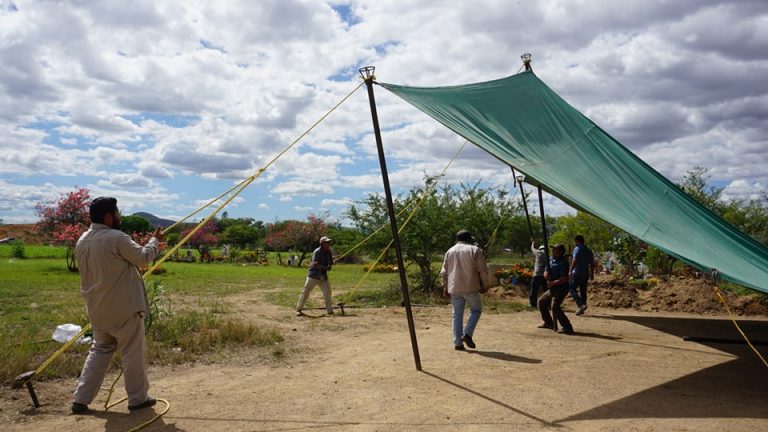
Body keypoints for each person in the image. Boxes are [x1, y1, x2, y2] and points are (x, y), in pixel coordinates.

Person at [71, 197, 162, 414]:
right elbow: (143, 258)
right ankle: (138, 399)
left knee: (99, 351)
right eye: (118, 212)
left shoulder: (82, 240)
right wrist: (155, 241)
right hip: (124, 309)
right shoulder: (116, 237)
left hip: (97, 310)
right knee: (132, 353)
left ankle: (81, 399)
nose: (120, 216)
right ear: (109, 217)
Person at [441, 230, 489, 351]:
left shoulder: (449, 251)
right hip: (470, 287)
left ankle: (458, 343)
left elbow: (444, 272)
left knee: (456, 315)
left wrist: (445, 287)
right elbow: (482, 270)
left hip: (454, 287)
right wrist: (485, 285)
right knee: (476, 310)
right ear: (469, 239)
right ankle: (467, 334)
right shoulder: (475, 250)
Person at [538, 243, 574, 334]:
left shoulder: (563, 262)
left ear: (560, 252)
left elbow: (564, 278)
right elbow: (546, 271)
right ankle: (548, 322)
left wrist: (553, 283)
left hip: (561, 288)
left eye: (555, 249)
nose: (552, 251)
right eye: (553, 249)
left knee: (554, 306)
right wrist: (546, 275)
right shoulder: (550, 259)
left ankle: (567, 327)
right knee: (542, 301)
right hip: (552, 288)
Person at [295, 236, 334, 316]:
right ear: (322, 244)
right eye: (327, 242)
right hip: (313, 276)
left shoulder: (329, 252)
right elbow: (315, 264)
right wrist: (325, 267)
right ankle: (299, 309)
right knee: (305, 292)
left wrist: (331, 263)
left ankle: (330, 311)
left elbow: (330, 262)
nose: (328, 244)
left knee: (328, 292)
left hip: (323, 276)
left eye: (329, 242)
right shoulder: (317, 252)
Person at [568, 234, 595, 316]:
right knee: (583, 290)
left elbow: (574, 260)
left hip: (577, 273)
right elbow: (591, 263)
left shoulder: (577, 248)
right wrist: (592, 273)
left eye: (575, 242)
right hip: (585, 273)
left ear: (577, 241)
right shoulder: (589, 251)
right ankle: (582, 309)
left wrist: (570, 270)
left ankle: (581, 305)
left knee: (571, 288)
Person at [529, 240, 547, 308]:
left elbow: (532, 248)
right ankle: (547, 304)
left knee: (534, 291)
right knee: (546, 290)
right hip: (544, 276)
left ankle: (533, 305)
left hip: (537, 275)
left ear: (540, 249)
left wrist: (533, 242)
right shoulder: (547, 255)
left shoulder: (539, 252)